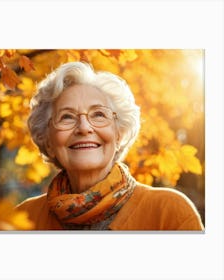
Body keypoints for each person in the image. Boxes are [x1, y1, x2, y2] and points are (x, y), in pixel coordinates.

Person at [16, 61, 204, 231]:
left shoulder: (169, 213)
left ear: (119, 134)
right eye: (66, 117)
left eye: (98, 114)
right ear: (48, 141)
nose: (84, 127)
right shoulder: (23, 220)